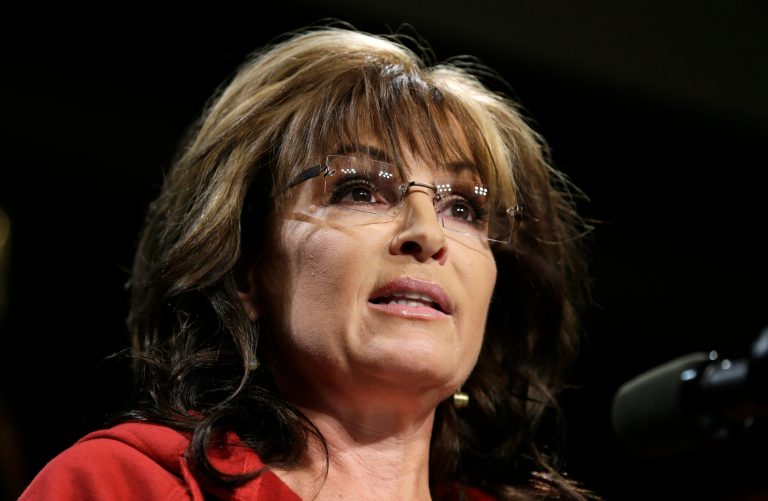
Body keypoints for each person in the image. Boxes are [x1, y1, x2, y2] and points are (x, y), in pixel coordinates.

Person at [20, 23, 594, 500]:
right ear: (246, 268)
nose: (426, 235)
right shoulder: (122, 486)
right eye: (359, 190)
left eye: (464, 208)